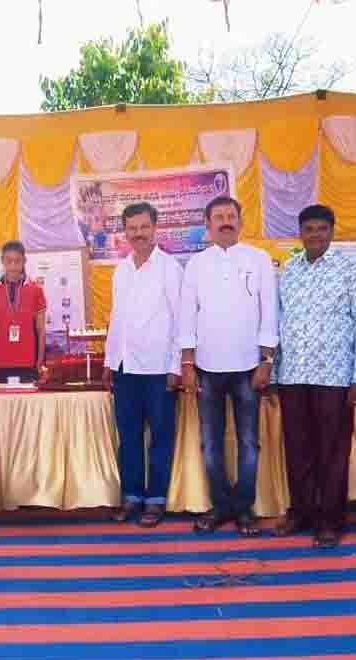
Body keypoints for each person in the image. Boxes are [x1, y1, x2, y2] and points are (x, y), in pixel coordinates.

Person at [274, 204, 356, 549]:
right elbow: (280, 322)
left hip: (335, 377)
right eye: (308, 229)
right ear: (300, 233)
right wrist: (275, 371)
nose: (315, 234)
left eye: (321, 228)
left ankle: (330, 520)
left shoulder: (350, 268)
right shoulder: (289, 270)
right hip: (293, 375)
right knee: (297, 448)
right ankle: (302, 511)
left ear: (332, 231)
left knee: (332, 451)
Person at [179, 195, 277, 537]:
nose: (225, 221)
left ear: (240, 220)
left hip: (249, 367)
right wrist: (187, 363)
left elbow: (270, 313)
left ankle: (244, 508)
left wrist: (266, 361)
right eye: (217, 216)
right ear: (207, 225)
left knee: (249, 443)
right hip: (206, 367)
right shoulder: (195, 265)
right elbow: (186, 315)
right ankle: (221, 507)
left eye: (230, 215)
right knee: (210, 443)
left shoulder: (259, 259)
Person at [103, 202, 183, 528]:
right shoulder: (121, 270)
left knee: (160, 436)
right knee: (129, 435)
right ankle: (132, 496)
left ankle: (156, 500)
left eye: (144, 227)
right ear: (125, 232)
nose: (138, 233)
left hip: (159, 368)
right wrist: (110, 361)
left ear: (155, 228)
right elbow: (117, 319)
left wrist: (177, 366)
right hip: (125, 369)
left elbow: (182, 321)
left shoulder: (171, 269)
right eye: (132, 228)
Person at [0, 241, 47, 384]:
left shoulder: (35, 290)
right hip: (0, 362)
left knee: (28, 405)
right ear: (2, 261)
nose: (12, 266)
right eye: (8, 261)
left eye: (17, 261)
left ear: (24, 261)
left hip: (28, 362)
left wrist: (40, 361)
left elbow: (41, 330)